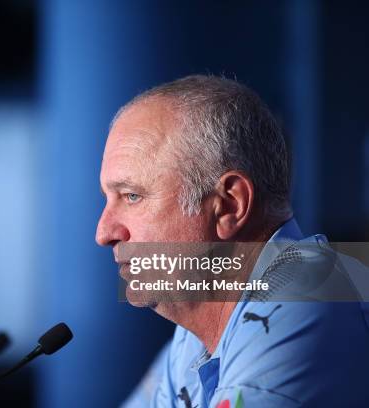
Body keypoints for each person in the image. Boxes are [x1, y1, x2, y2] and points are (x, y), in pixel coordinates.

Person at [95, 75, 369, 407]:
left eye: (132, 196)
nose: (104, 233)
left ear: (229, 206)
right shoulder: (193, 336)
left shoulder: (307, 297)